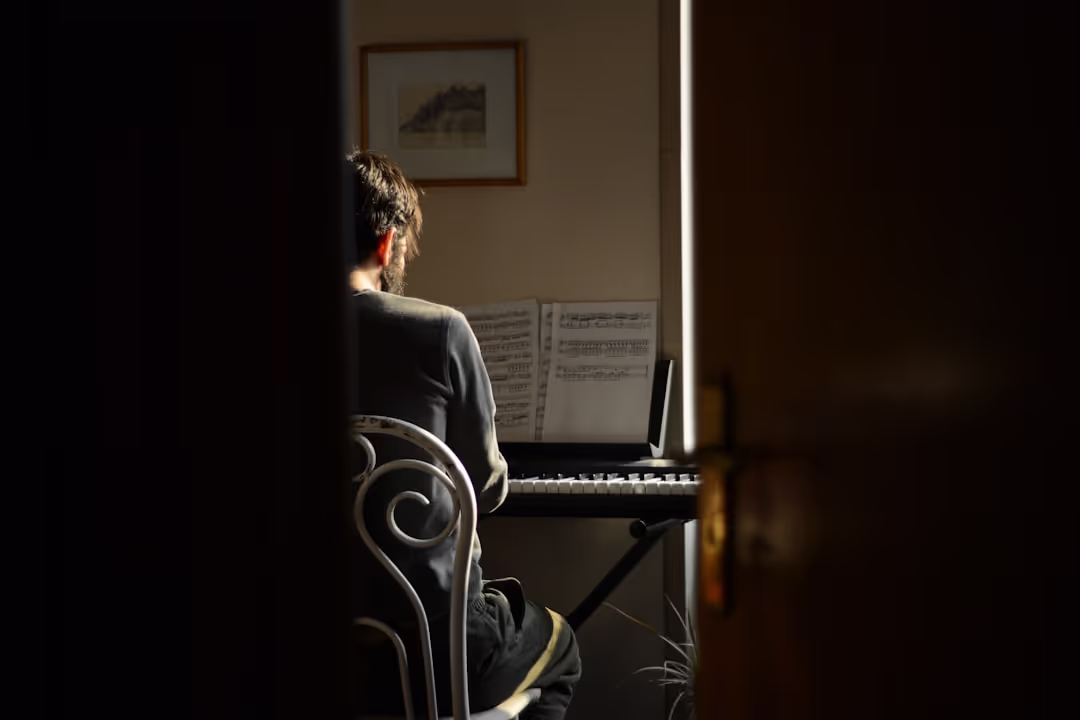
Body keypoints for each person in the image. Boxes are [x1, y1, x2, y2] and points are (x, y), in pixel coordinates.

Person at [348, 150, 581, 720]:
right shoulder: (439, 329)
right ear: (386, 242)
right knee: (563, 647)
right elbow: (481, 486)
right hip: (433, 645)